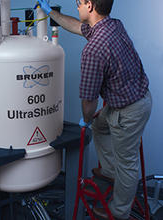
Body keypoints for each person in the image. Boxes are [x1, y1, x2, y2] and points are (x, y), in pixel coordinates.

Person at [37, 0, 152, 219]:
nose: (76, 6)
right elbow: (75, 26)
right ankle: (109, 170)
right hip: (137, 97)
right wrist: (50, 12)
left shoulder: (94, 50)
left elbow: (89, 101)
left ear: (89, 5)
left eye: (79, 2)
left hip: (130, 111)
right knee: (101, 127)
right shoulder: (113, 25)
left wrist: (86, 119)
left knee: (127, 165)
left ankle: (118, 212)